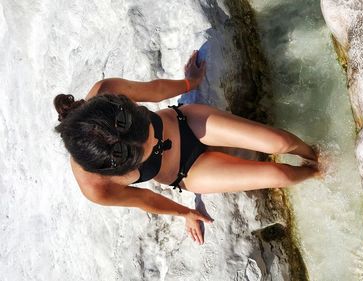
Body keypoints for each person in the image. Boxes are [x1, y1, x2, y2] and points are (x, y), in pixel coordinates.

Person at [54, 51, 318, 245]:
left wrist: (189, 84)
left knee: (282, 142)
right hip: (186, 171)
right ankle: (316, 172)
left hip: (186, 123)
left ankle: (315, 156)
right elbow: (143, 200)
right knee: (280, 176)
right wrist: (186, 212)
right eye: (144, 153)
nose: (155, 142)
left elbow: (155, 91)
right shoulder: (96, 188)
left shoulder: (105, 92)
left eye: (148, 130)